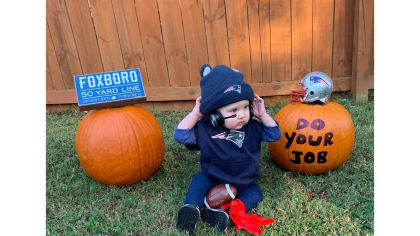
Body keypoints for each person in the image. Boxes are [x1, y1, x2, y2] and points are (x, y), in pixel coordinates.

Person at [174, 64, 281, 235]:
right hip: (213, 177)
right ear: (215, 115)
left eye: (246, 107)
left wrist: (262, 115)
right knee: (199, 180)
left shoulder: (253, 127)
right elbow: (180, 135)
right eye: (234, 110)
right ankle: (191, 207)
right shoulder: (206, 129)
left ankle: (228, 215)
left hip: (244, 181)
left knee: (255, 194)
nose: (242, 114)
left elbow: (274, 134)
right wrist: (196, 114)